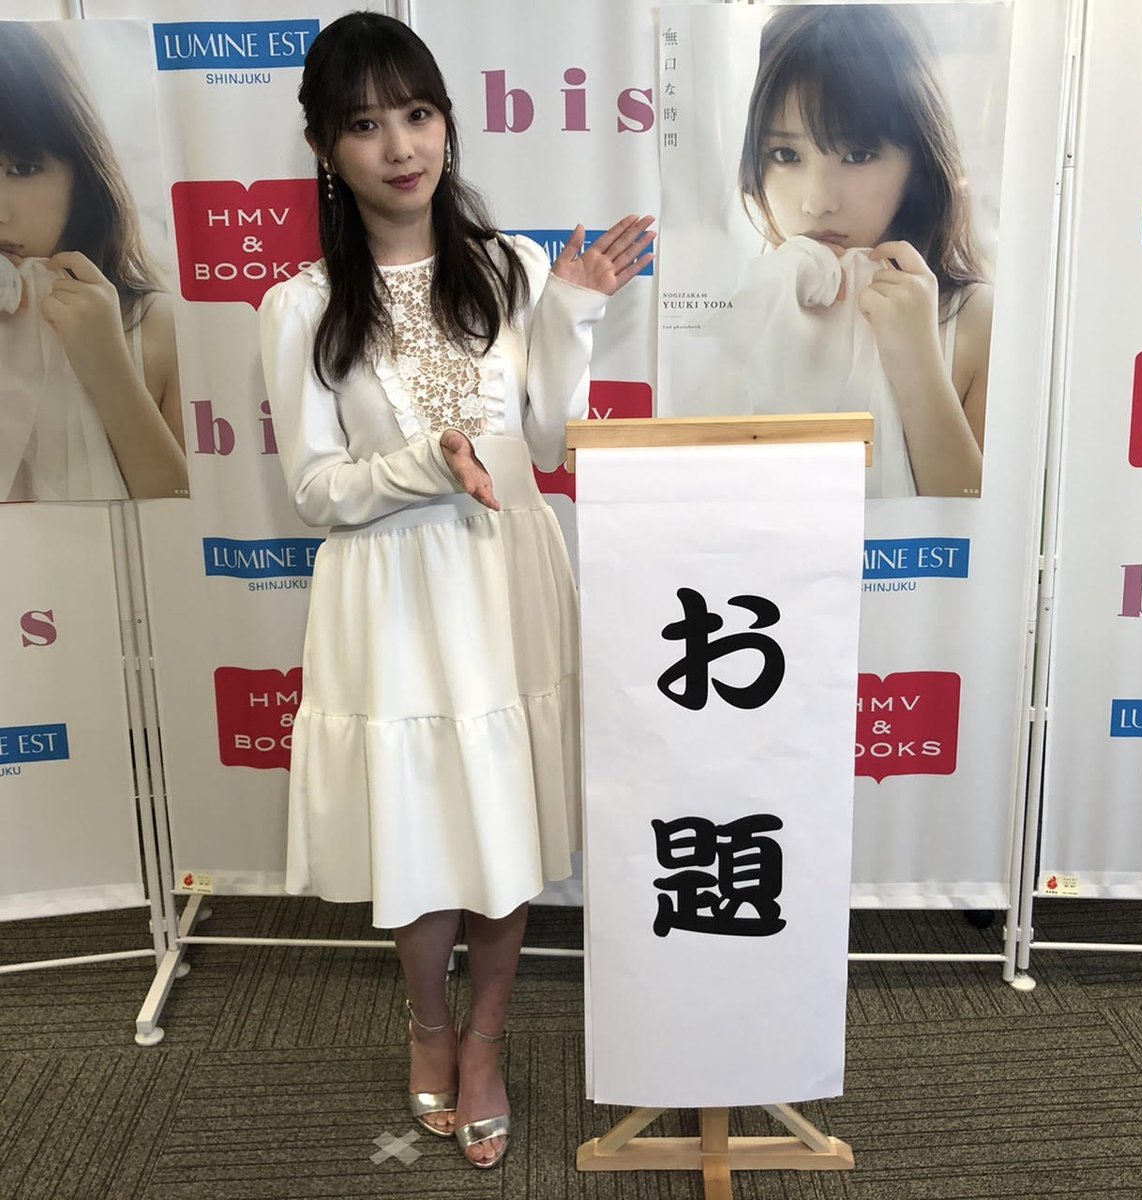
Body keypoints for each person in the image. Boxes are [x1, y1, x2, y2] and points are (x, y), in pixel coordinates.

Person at [257, 12, 653, 1170]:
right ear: (325, 149)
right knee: (425, 827)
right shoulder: (300, 307)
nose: (401, 146)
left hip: (502, 572)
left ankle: (485, 1042)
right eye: (365, 124)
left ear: (446, 123)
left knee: (501, 824)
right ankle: (427, 1026)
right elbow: (315, 491)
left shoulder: (513, 267)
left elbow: (550, 438)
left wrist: (569, 310)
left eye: (418, 113)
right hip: (393, 596)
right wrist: (425, 465)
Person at [724, 4, 992, 498]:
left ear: (919, 161)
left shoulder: (972, 317)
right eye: (785, 155)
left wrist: (919, 365)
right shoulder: (727, 303)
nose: (817, 202)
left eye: (858, 155)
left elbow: (978, 527)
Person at [0, 22, 187, 502]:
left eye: (24, 168)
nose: (1, 211)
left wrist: (108, 369)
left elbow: (189, 522)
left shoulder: (154, 325)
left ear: (81, 174)